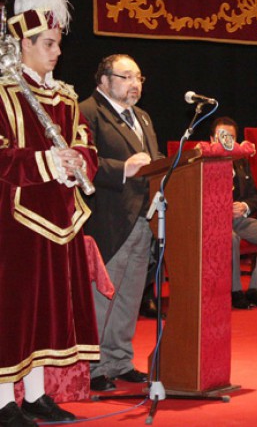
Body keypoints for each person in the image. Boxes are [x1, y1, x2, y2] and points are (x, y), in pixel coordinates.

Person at [0, 0, 99, 425]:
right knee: (14, 313)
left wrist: (78, 161)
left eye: (58, 43)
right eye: (48, 43)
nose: (56, 52)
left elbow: (85, 142)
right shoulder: (3, 93)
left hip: (60, 219)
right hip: (15, 221)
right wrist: (46, 161)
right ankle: (3, 401)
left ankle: (36, 394)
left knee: (46, 313)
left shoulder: (65, 96)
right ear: (23, 43)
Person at [79, 54, 161, 392]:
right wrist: (121, 168)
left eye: (139, 77)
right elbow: (80, 159)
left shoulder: (141, 116)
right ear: (103, 80)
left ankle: (119, 359)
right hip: (106, 218)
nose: (135, 84)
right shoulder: (86, 112)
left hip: (142, 216)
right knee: (103, 295)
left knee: (129, 295)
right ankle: (92, 365)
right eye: (126, 77)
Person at [210, 117, 257, 309]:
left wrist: (244, 206)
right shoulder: (203, 163)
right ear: (212, 140)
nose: (227, 141)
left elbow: (254, 196)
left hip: (239, 219)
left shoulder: (241, 163)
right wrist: (224, 207)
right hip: (213, 220)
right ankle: (234, 292)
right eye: (222, 136)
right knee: (231, 238)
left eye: (231, 137)